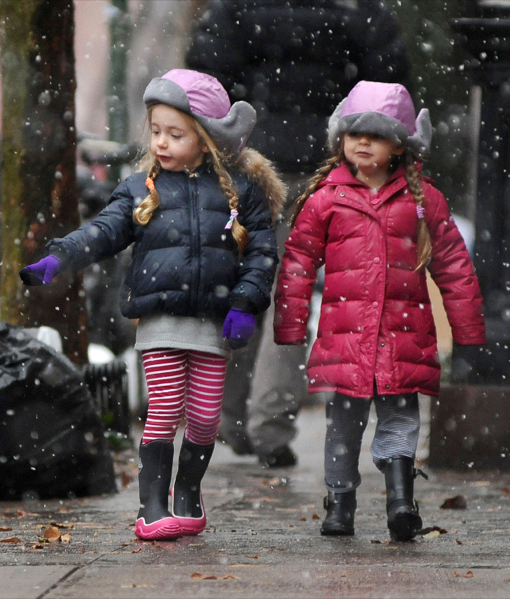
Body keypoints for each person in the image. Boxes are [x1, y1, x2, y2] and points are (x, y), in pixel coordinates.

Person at [19, 69, 285, 541]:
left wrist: (245, 303)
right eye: (156, 131)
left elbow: (262, 253)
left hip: (213, 320)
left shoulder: (241, 194)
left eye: (175, 134)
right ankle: (153, 504)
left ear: (205, 138)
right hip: (160, 319)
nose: (161, 142)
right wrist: (60, 257)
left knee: (205, 417)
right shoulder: (142, 188)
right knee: (163, 407)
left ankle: (188, 493)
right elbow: (102, 231)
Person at [186, 0, 413, 467]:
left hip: (249, 163)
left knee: (242, 283)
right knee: (291, 287)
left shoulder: (238, 11)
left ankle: (223, 415)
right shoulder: (357, 13)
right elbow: (390, 86)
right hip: (322, 165)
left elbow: (206, 81)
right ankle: (270, 424)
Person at [273, 81, 486, 541]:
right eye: (354, 134)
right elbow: (296, 264)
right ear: (340, 141)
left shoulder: (424, 200)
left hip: (402, 336)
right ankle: (340, 502)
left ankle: (400, 499)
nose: (363, 143)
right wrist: (289, 325)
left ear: (401, 145)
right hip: (345, 339)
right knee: (343, 429)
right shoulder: (325, 199)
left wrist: (467, 330)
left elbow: (454, 267)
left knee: (401, 419)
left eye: (375, 135)